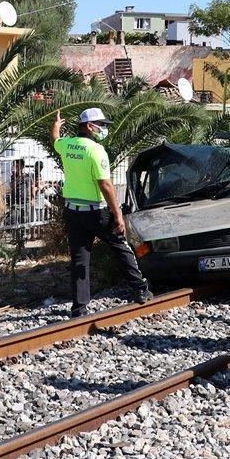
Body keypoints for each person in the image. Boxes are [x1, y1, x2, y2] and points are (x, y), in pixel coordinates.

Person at [51, 108, 152, 317]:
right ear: (89, 126)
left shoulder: (67, 145)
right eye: (101, 125)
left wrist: (56, 126)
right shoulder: (96, 151)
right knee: (121, 248)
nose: (104, 129)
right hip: (96, 212)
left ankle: (79, 308)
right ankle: (141, 289)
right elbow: (105, 185)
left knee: (79, 259)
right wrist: (117, 216)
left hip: (73, 212)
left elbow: (55, 140)